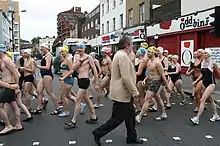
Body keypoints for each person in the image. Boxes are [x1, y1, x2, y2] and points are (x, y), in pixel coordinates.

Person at [92, 36, 143, 146]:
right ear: (126, 45)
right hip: (122, 93)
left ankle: (132, 137)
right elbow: (125, 77)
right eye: (131, 44)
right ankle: (98, 132)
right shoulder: (122, 56)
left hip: (124, 93)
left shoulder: (120, 55)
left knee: (130, 118)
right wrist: (135, 92)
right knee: (117, 119)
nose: (133, 46)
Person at [64, 42, 99, 128]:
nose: (79, 49)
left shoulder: (89, 57)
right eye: (78, 47)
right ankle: (94, 116)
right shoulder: (77, 57)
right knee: (87, 99)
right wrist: (80, 60)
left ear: (84, 49)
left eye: (81, 47)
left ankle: (73, 121)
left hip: (85, 80)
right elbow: (73, 68)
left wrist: (97, 82)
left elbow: (94, 70)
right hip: (79, 80)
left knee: (77, 100)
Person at [136, 46, 171, 123]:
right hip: (149, 81)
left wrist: (167, 86)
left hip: (155, 82)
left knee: (147, 99)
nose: (147, 53)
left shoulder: (157, 63)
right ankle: (163, 113)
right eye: (147, 51)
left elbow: (162, 75)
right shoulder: (148, 61)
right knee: (157, 97)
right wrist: (145, 80)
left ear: (153, 53)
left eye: (149, 52)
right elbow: (149, 73)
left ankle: (139, 116)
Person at [190, 49, 220, 125]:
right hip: (204, 83)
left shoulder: (213, 63)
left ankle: (197, 118)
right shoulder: (203, 62)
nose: (203, 54)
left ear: (209, 55)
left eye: (205, 53)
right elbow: (202, 74)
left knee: (202, 100)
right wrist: (196, 81)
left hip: (211, 84)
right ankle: (216, 115)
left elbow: (219, 73)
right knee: (211, 100)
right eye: (203, 53)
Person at [0, 44, 23, 134]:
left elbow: (16, 73)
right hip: (7, 85)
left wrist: (16, 86)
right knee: (14, 105)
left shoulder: (6, 60)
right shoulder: (2, 60)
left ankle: (8, 125)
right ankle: (18, 125)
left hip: (9, 85)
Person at [34, 43, 60, 115]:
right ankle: (39, 107)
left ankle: (57, 108)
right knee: (39, 91)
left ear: (46, 48)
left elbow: (47, 67)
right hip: (44, 75)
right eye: (41, 48)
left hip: (47, 75)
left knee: (50, 92)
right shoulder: (45, 55)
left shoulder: (48, 55)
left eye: (42, 48)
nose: (41, 49)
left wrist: (37, 66)